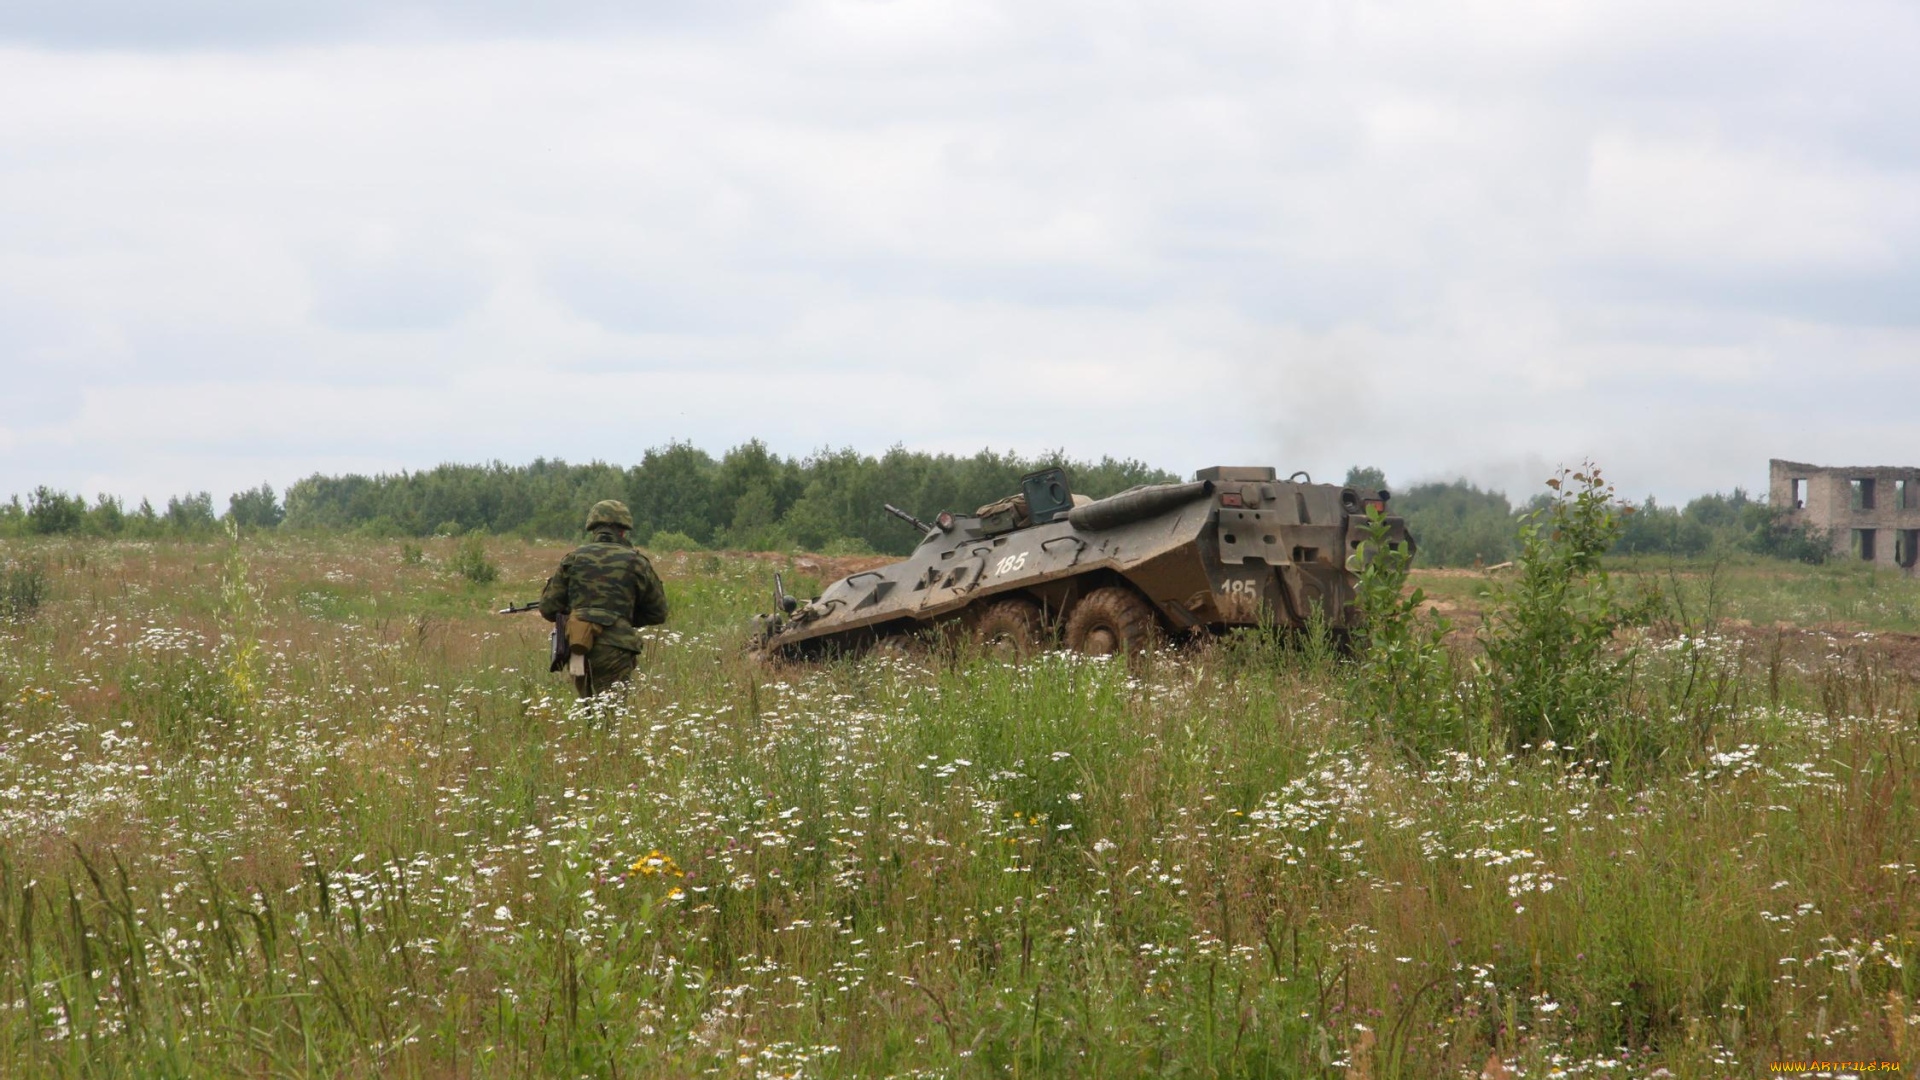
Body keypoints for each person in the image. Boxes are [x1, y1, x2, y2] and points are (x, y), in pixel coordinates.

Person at [539, 500, 668, 697]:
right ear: (623, 531)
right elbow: (658, 612)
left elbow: (548, 608)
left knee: (588, 711)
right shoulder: (636, 562)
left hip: (578, 646)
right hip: (616, 647)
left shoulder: (573, 559)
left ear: (593, 529)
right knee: (611, 716)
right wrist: (624, 619)